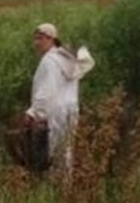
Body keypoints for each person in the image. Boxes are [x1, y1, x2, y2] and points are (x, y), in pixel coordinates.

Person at [17, 22, 95, 172]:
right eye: (35, 39)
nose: (36, 43)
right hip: (70, 109)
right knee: (66, 149)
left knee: (55, 152)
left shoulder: (50, 61)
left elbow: (46, 91)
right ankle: (65, 186)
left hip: (56, 111)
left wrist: (33, 113)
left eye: (40, 39)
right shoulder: (66, 59)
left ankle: (58, 189)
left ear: (51, 39)